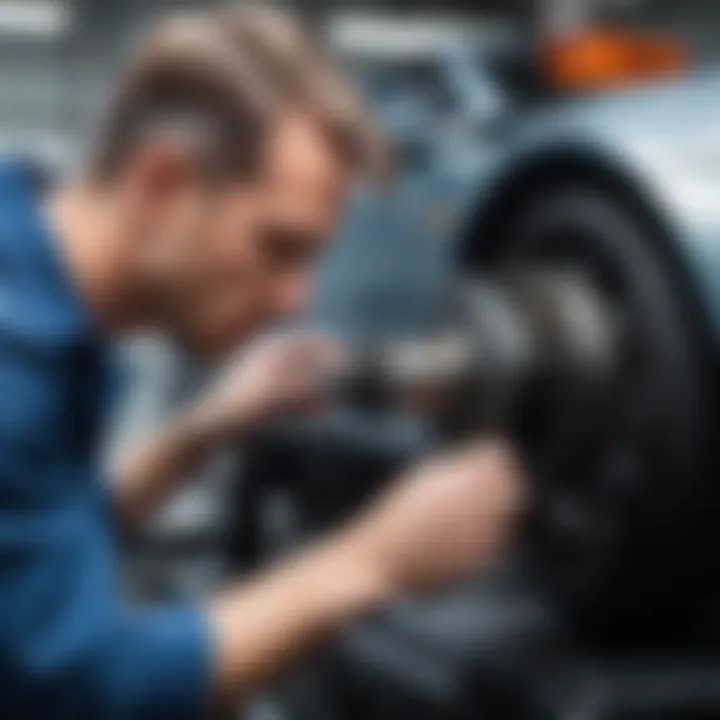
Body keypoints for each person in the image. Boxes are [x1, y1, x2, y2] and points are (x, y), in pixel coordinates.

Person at [0, 5, 524, 719]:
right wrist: (371, 560)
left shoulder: (35, 258)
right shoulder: (14, 357)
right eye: (277, 248)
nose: (294, 300)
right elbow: (79, 684)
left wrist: (202, 432)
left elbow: (38, 547)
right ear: (159, 185)